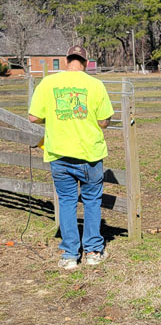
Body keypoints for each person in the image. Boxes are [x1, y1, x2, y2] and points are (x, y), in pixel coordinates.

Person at [28, 45, 114, 270]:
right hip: (89, 154)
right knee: (92, 201)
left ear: (67, 60)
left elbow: (33, 116)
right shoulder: (95, 85)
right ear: (85, 62)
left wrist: (56, 119)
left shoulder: (48, 83)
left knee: (66, 202)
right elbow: (104, 120)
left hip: (59, 153)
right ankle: (93, 251)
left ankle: (69, 255)